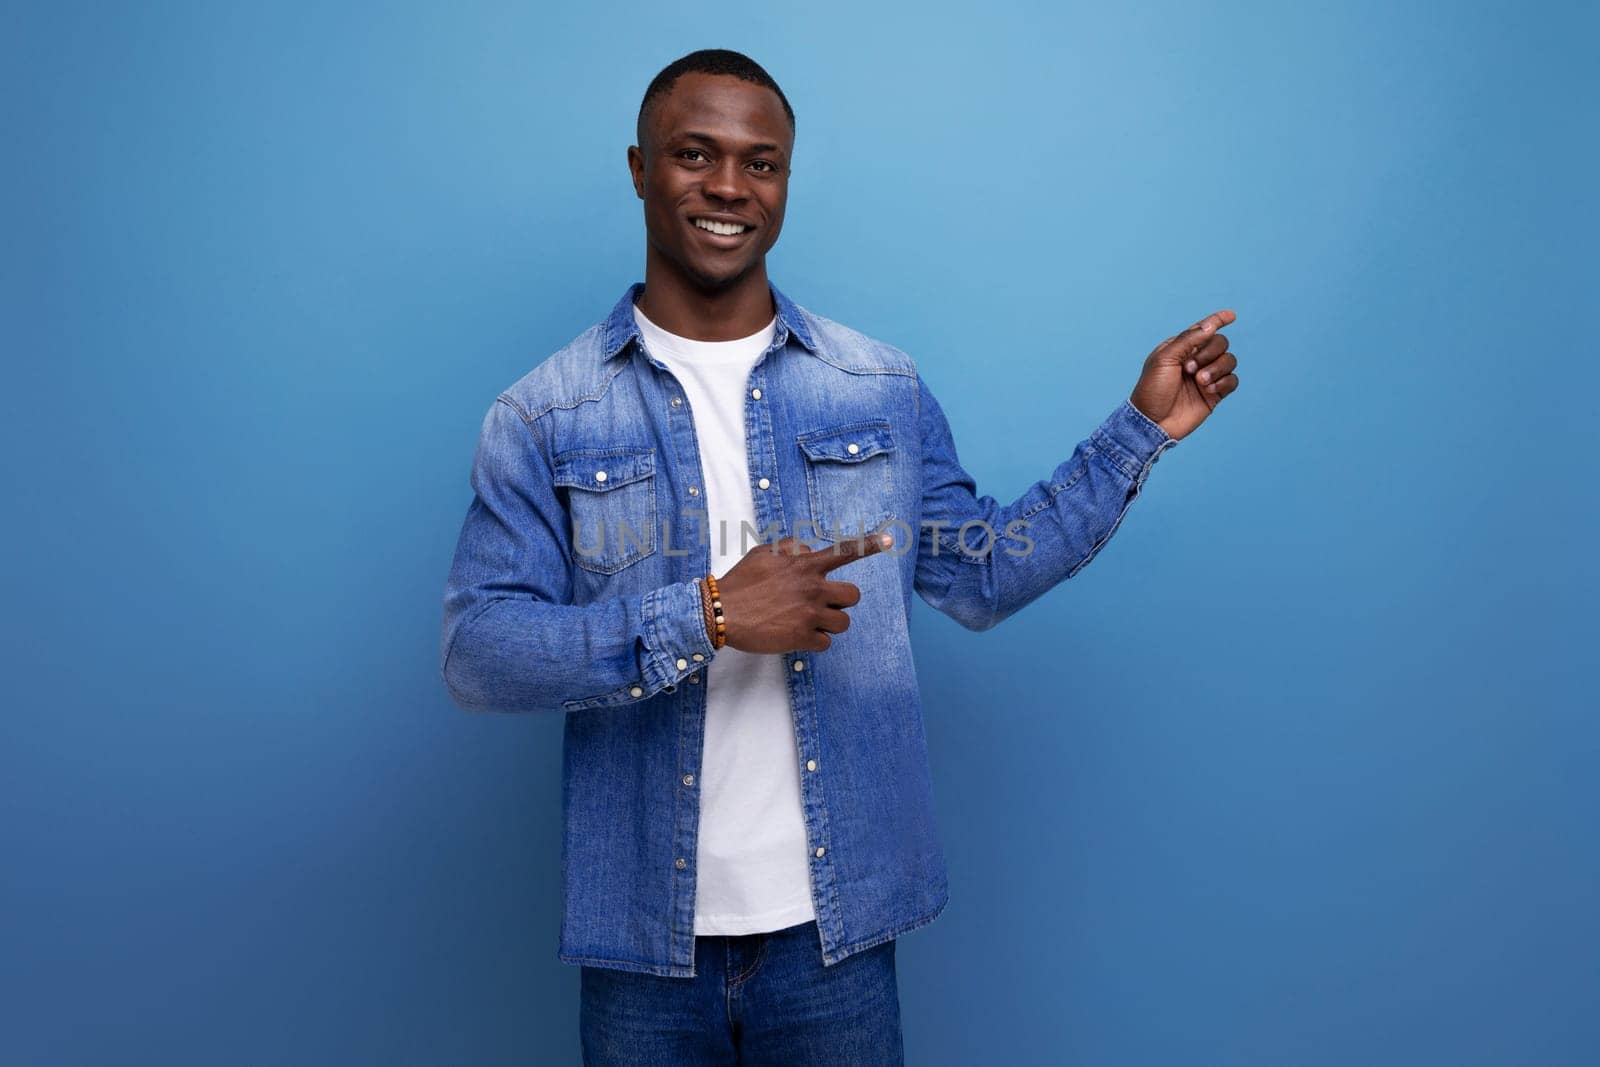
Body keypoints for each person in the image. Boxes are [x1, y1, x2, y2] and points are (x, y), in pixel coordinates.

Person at [439, 47, 1241, 1066]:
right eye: (695, 154)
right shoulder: (544, 413)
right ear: (640, 168)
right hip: (643, 944)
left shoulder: (875, 388)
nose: (728, 187)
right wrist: (711, 615)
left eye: (759, 162)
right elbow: (481, 650)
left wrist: (1139, 428)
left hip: (836, 937)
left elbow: (982, 567)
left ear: (783, 180)